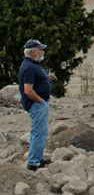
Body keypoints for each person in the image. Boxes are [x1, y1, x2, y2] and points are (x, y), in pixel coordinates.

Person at [19, 39, 51, 171]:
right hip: (36, 105)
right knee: (39, 132)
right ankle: (33, 162)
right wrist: (40, 101)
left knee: (39, 132)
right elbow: (28, 90)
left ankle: (37, 158)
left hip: (38, 104)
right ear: (33, 52)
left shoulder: (32, 64)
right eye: (40, 49)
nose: (42, 52)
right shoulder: (29, 67)